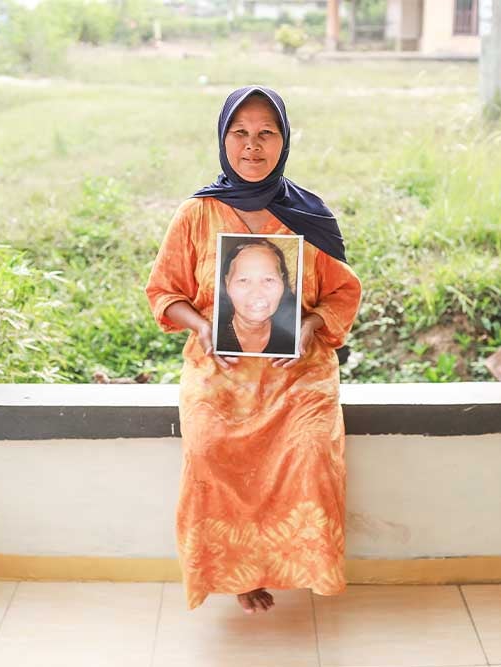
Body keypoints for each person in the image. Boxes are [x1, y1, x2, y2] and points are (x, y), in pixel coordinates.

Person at [145, 86, 362, 614]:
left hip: (297, 375)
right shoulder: (196, 215)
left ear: (284, 140)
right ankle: (240, 573)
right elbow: (162, 293)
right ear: (223, 140)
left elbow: (343, 292)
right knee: (209, 450)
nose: (253, 145)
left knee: (310, 452)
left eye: (267, 132)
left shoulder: (308, 215)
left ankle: (297, 567)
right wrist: (200, 325)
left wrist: (310, 324)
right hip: (220, 371)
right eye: (239, 132)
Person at [215, 238, 298, 356]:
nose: (257, 293)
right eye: (243, 280)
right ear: (227, 283)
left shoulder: (295, 340)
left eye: (268, 279)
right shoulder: (212, 339)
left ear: (283, 282)